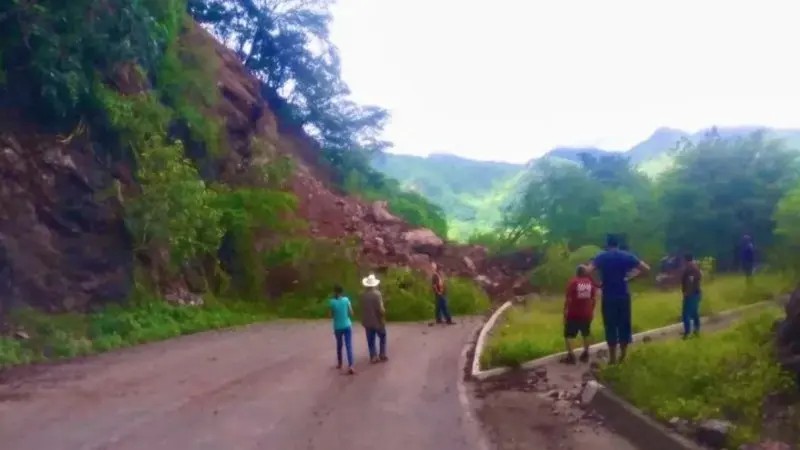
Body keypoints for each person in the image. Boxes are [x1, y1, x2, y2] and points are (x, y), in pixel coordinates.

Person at [586, 234, 650, 364]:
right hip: (623, 295)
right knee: (624, 325)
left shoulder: (602, 256)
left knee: (610, 325)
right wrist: (631, 278)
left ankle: (612, 357)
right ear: (618, 244)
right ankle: (623, 355)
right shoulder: (627, 255)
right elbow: (646, 269)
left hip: (609, 296)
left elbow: (588, 271)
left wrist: (597, 283)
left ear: (607, 244)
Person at [562, 265, 598, 364]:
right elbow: (594, 299)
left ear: (576, 272)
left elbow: (568, 299)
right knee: (586, 333)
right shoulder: (590, 283)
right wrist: (591, 310)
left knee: (568, 335)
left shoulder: (573, 282)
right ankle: (586, 353)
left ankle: (571, 356)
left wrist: (565, 312)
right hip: (586, 313)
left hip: (573, 313)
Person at [360, 273, 388, 363]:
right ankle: (382, 354)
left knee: (370, 340)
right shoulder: (377, 294)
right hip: (378, 321)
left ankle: (373, 356)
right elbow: (380, 309)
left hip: (367, 321)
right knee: (382, 336)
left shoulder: (363, 295)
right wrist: (383, 315)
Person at [329, 285, 355, 374]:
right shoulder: (346, 300)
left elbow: (331, 315)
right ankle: (351, 365)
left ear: (334, 292)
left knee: (339, 345)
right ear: (342, 292)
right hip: (347, 325)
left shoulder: (332, 302)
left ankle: (340, 363)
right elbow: (351, 312)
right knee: (349, 345)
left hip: (338, 326)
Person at [681, 253, 702, 338]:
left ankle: (687, 332)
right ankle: (696, 330)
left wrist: (687, 293)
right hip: (696, 293)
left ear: (685, 260)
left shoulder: (690, 268)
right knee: (694, 313)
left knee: (686, 314)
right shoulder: (695, 267)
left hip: (691, 294)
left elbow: (690, 281)